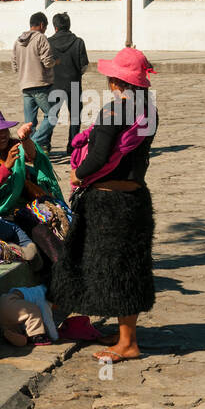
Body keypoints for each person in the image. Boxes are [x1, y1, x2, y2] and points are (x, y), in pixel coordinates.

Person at [49, 47, 158, 363]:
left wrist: (76, 173)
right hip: (135, 198)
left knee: (116, 268)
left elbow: (98, 157)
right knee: (128, 269)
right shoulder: (148, 111)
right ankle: (125, 335)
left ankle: (128, 344)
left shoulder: (114, 110)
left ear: (116, 82)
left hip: (109, 204)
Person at [0, 107, 69, 268]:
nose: (2, 135)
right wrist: (7, 166)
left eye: (4, 130)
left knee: (61, 220)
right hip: (0, 214)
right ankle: (58, 269)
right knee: (40, 232)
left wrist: (25, 139)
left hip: (26, 205)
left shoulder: (13, 145)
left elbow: (32, 156)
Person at [11, 12, 55, 151]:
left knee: (30, 123)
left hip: (24, 85)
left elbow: (14, 65)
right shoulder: (41, 38)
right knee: (52, 116)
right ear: (42, 25)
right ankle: (33, 144)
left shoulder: (18, 41)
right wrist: (56, 62)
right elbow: (47, 62)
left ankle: (33, 150)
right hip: (40, 84)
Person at [47, 12, 89, 154]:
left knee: (51, 115)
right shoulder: (78, 42)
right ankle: (72, 146)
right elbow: (84, 65)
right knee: (75, 116)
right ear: (69, 25)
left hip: (54, 84)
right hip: (74, 83)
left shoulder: (49, 42)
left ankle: (46, 144)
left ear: (55, 27)